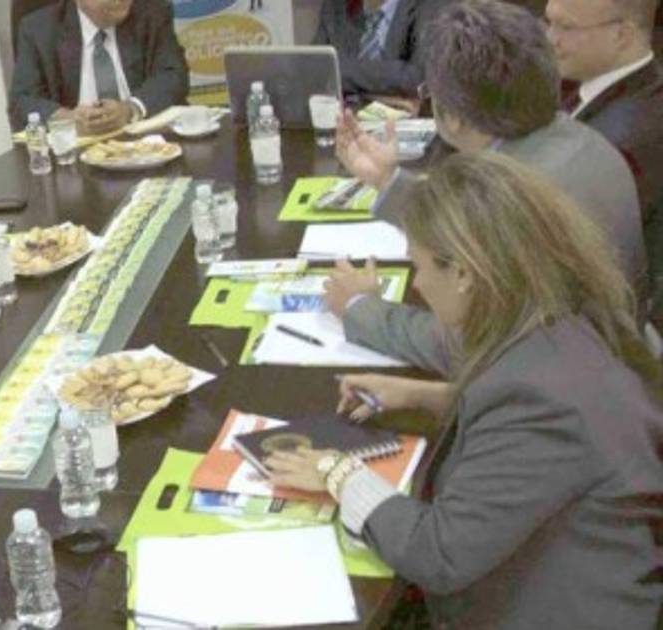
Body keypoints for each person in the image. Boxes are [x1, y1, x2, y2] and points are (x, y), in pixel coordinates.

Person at [266, 153, 663, 628]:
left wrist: (338, 471)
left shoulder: (541, 401)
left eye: (419, 266)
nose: (418, 284)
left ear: (463, 274)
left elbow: (437, 553)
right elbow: (531, 431)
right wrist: (423, 396)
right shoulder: (563, 319)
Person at [336, 0, 648, 304]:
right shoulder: (580, 138)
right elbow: (458, 232)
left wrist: (360, 306)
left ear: (454, 117)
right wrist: (387, 180)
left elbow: (462, 333)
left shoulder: (508, 199)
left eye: (429, 93)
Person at [546, 0, 663, 325]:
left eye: (566, 27)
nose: (551, 39)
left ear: (621, 35)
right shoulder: (599, 94)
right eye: (549, 23)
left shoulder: (624, 140)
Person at [7, 0, 188, 134]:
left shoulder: (152, 13)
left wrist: (130, 109)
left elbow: (173, 75)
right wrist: (67, 119)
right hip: (76, 152)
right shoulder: (39, 29)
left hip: (146, 141)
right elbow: (22, 100)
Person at [313, 0, 451, 99]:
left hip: (404, 127)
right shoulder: (335, 6)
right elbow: (313, 69)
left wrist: (339, 70)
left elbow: (420, 78)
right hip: (342, 124)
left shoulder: (433, 5)